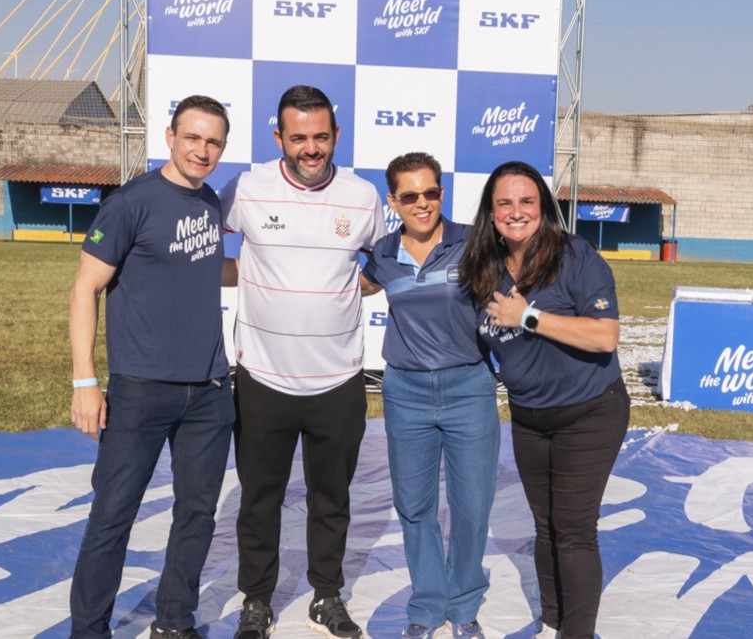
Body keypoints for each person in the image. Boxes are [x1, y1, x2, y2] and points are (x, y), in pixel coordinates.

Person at [220, 85, 386, 639]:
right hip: (262, 378)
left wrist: (348, 290)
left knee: (331, 499)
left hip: (338, 380)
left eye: (320, 137)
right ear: (279, 138)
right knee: (258, 499)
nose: (310, 148)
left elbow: (386, 260)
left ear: (336, 135)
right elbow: (198, 238)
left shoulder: (362, 196)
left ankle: (326, 596)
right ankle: (256, 601)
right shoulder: (246, 188)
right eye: (298, 138)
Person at [68, 95, 234, 639]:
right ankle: (89, 630)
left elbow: (205, 268)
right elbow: (85, 288)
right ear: (170, 137)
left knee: (197, 515)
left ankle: (175, 620)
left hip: (209, 390)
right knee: (112, 516)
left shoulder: (211, 203)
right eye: (193, 137)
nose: (202, 150)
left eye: (213, 142)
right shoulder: (130, 202)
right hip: (140, 390)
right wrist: (85, 382)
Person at [458, 161, 630, 639]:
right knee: (546, 526)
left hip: (589, 412)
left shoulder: (575, 256)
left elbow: (604, 336)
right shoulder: (483, 267)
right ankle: (553, 622)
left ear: (543, 207)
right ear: (490, 213)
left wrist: (528, 317)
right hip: (530, 419)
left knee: (573, 530)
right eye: (505, 203)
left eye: (527, 201)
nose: (516, 212)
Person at [360, 152, 499, 639]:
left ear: (442, 193)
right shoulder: (382, 253)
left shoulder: (474, 242)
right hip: (406, 393)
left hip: (468, 389)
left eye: (431, 193)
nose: (422, 203)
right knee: (414, 506)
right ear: (393, 201)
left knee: (472, 507)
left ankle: (464, 607)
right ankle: (426, 605)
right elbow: (350, 286)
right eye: (410, 196)